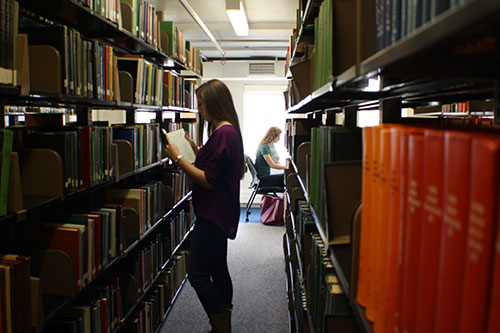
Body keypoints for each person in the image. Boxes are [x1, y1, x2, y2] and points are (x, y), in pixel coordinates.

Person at [164, 79, 244, 333]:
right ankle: (225, 321)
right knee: (219, 268)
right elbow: (216, 165)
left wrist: (177, 157)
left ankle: (220, 325)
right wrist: (195, 149)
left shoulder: (223, 133)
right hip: (221, 212)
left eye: (201, 103)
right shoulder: (226, 131)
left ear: (214, 103)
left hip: (212, 214)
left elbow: (209, 180)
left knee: (197, 275)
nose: (199, 109)